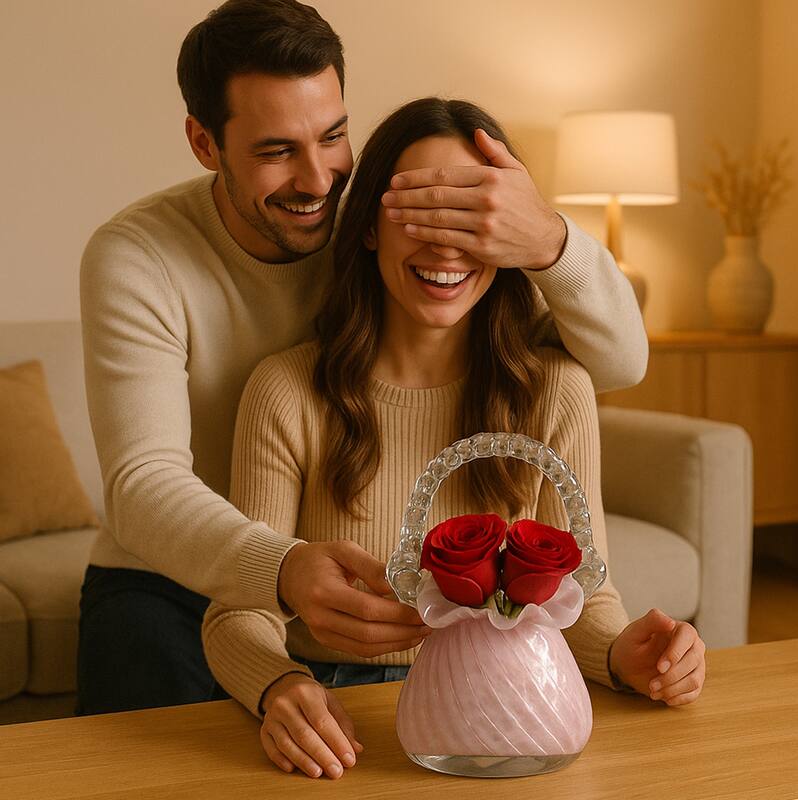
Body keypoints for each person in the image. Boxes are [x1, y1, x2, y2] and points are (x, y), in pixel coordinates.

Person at [77, 0, 649, 715]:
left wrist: (549, 242)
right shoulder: (137, 256)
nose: (318, 180)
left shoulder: (392, 218)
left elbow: (616, 364)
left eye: (333, 136)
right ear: (203, 142)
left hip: (313, 580)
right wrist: (284, 572)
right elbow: (142, 482)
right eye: (276, 150)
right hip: (169, 575)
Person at [202, 98, 706, 781]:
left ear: (510, 234)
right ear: (371, 227)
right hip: (340, 724)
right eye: (418, 212)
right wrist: (279, 687)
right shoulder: (287, 391)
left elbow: (586, 596)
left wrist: (628, 655)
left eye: (470, 216)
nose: (445, 244)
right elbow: (240, 612)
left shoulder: (556, 389)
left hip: (506, 714)